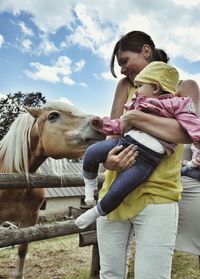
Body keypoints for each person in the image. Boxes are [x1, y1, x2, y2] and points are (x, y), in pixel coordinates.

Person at [93, 30, 200, 279]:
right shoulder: (124, 87)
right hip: (114, 191)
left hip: (158, 197)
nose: (123, 70)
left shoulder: (184, 87)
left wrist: (134, 119)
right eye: (119, 66)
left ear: (146, 51)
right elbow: (113, 133)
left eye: (125, 61)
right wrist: (108, 158)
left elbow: (187, 132)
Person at [75, 61, 200, 230]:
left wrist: (197, 139)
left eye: (140, 85)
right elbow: (120, 124)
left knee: (120, 189)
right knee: (91, 152)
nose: (137, 89)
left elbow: (191, 123)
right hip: (125, 142)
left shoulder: (176, 103)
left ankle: (95, 212)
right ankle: (89, 186)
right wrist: (103, 124)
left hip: (146, 160)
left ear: (155, 87)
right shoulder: (138, 103)